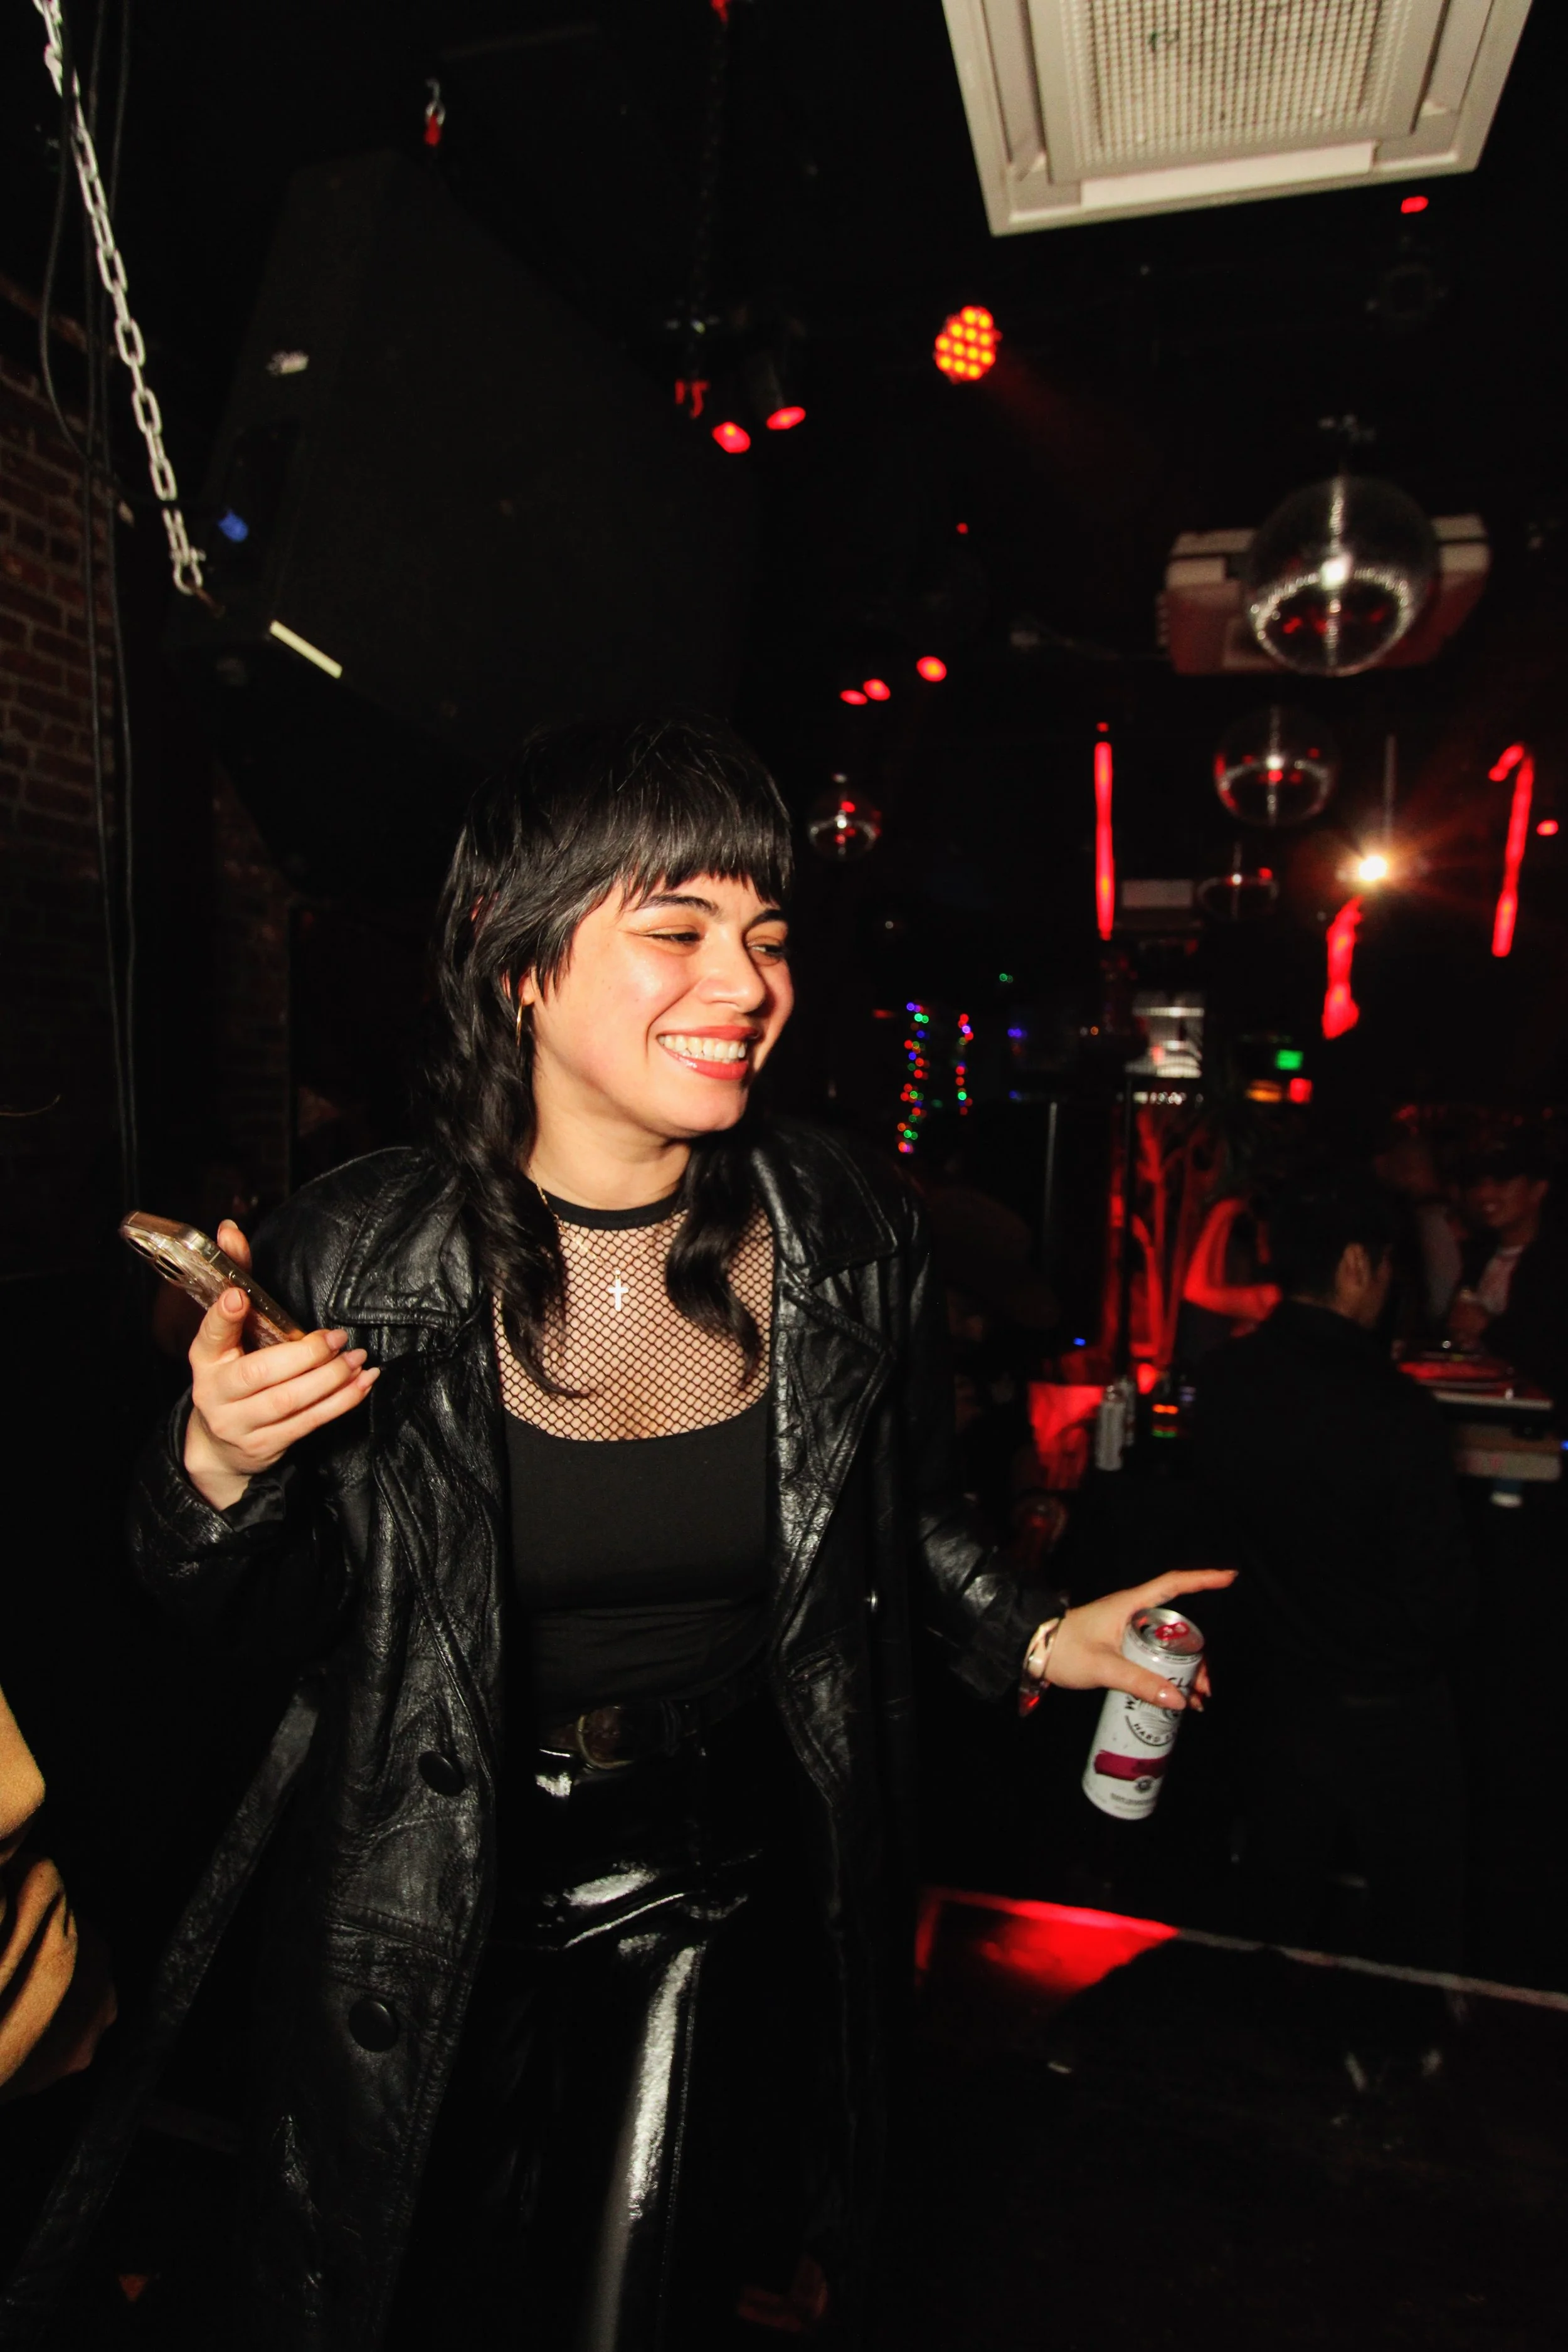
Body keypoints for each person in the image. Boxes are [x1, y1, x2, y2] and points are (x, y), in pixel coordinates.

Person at [63, 719, 1224, 2349]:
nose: (743, 980)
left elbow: (898, 1520)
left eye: (764, 934)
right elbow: (245, 1618)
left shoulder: (844, 1231)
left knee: (634, 2305)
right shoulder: (361, 1245)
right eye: (674, 929)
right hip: (422, 1876)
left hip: (711, 1872)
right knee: (405, 2289)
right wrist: (215, 1466)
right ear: (519, 964)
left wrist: (1036, 1630)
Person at [1194, 1169, 1471, 1984]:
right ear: (1358, 1263)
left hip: (1267, 1698)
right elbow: (1443, 1597)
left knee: (1270, 1926)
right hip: (1385, 1709)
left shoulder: (1223, 1383)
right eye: (1388, 1269)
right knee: (1410, 1939)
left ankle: (1255, 2089)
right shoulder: (1394, 1410)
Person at [1449, 1137, 1568, 1406]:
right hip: (1484, 1404)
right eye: (1478, 1184)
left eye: (1501, 1184)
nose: (1484, 1195)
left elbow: (1552, 1354)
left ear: (1537, 1190)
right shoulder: (1479, 1257)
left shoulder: (1556, 1264)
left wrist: (1487, 1328)